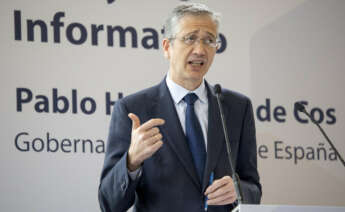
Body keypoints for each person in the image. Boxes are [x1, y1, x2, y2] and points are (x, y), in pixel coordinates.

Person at [98, 3, 261, 212]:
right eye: (190, 38)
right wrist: (131, 161)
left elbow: (253, 187)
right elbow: (108, 203)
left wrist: (239, 191)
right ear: (167, 47)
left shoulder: (237, 108)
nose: (200, 50)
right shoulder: (133, 109)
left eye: (209, 40)